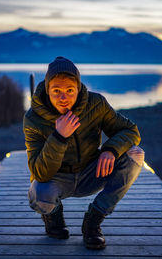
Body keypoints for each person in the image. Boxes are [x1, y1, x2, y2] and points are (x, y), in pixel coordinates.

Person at [23, 56, 144, 250]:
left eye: (70, 90)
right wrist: (59, 136)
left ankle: (93, 222)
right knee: (38, 192)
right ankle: (53, 217)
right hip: (57, 178)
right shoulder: (33, 118)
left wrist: (110, 150)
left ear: (78, 89)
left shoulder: (95, 104)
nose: (64, 98)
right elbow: (40, 172)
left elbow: (130, 130)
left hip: (92, 172)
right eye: (57, 91)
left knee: (136, 153)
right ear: (48, 90)